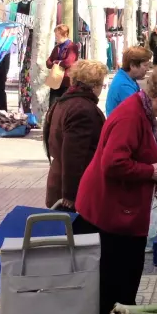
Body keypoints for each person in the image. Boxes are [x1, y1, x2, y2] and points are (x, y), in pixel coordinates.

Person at [76, 65, 157, 314]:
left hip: (118, 208)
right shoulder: (131, 115)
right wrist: (149, 171)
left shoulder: (142, 107)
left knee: (124, 276)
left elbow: (148, 130)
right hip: (110, 212)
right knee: (118, 280)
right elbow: (113, 163)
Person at [44, 60, 108, 209]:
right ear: (95, 85)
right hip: (73, 190)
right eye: (102, 85)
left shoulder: (64, 102)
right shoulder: (82, 109)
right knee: (74, 231)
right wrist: (70, 196)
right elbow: (73, 156)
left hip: (60, 181)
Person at [106, 46, 153, 115]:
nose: (148, 69)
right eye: (145, 65)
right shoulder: (124, 86)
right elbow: (138, 112)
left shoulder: (126, 77)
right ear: (133, 65)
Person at [46, 24, 79, 107]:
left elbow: (69, 62)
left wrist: (56, 62)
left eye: (57, 35)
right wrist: (55, 62)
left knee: (64, 106)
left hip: (66, 82)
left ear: (64, 34)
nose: (56, 37)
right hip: (55, 80)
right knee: (52, 106)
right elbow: (48, 62)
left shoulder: (72, 47)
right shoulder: (57, 47)